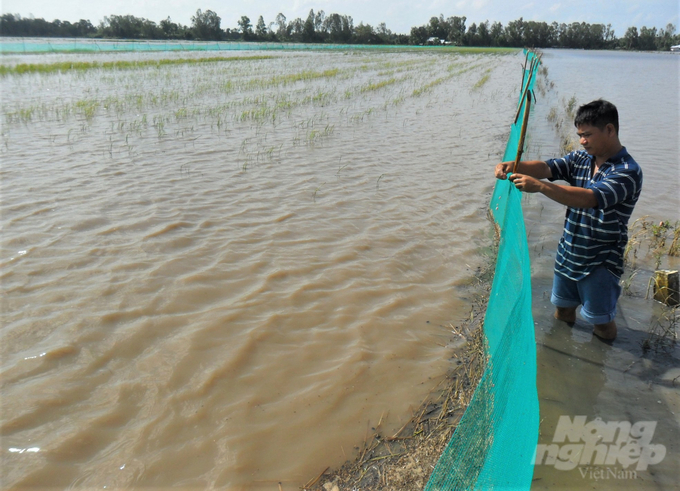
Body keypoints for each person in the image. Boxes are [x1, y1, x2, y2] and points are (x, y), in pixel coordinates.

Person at [494, 99, 642, 341]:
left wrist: (540, 187)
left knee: (601, 322)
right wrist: (513, 165)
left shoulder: (627, 170)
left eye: (587, 135)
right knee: (562, 310)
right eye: (580, 135)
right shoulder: (582, 159)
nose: (582, 141)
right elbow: (547, 167)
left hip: (601, 259)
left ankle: (600, 367)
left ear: (610, 130)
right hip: (569, 251)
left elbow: (589, 198)